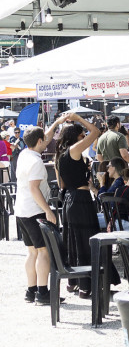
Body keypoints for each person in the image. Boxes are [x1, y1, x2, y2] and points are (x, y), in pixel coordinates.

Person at [18, 116, 68, 305]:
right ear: (39, 141)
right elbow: (34, 188)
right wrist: (48, 210)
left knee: (32, 252)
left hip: (22, 210)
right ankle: (42, 292)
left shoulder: (24, 153)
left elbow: (43, 137)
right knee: (44, 252)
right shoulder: (36, 162)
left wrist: (56, 123)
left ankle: (31, 291)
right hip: (35, 210)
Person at [55, 114, 102, 298]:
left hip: (69, 199)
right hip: (80, 198)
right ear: (76, 136)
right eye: (82, 135)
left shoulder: (60, 155)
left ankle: (74, 282)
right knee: (85, 240)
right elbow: (95, 132)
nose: (84, 137)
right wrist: (79, 119)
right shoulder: (74, 150)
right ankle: (85, 285)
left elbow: (61, 184)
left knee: (74, 241)